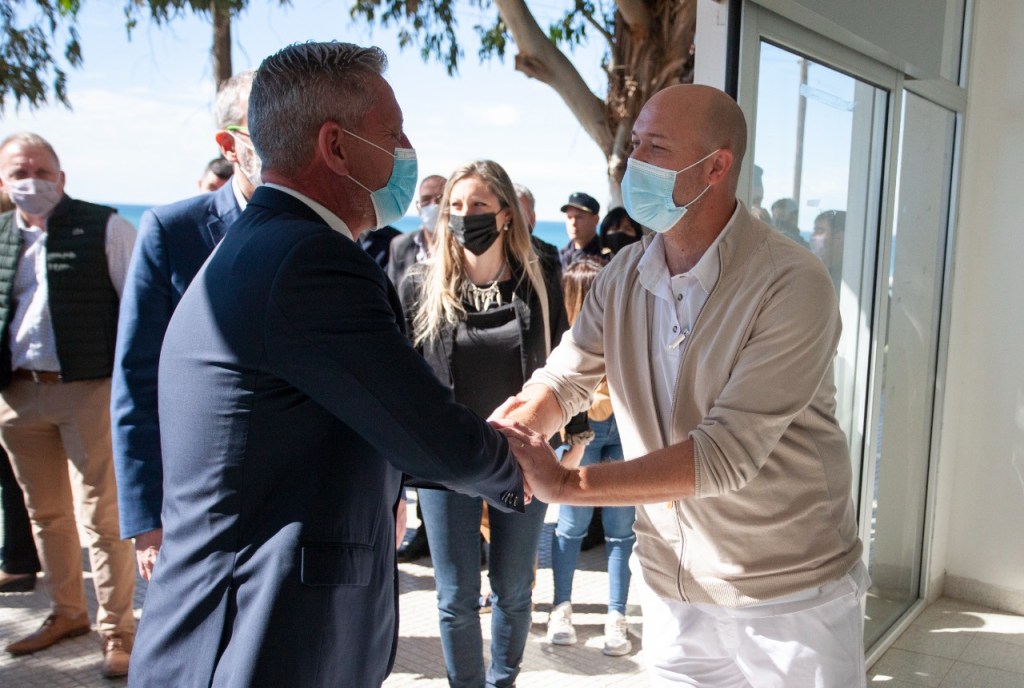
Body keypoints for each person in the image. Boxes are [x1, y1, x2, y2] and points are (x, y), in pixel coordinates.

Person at [128, 42, 527, 688]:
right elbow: (421, 428)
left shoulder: (262, 242)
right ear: (336, 146)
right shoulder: (311, 260)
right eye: (393, 133)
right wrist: (521, 466)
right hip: (256, 642)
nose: (408, 149)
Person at [492, 84, 868, 687]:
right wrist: (513, 432)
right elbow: (565, 378)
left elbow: (725, 456)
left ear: (716, 167)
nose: (634, 163)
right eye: (635, 145)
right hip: (673, 586)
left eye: (656, 148)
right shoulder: (622, 274)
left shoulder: (792, 283)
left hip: (790, 595)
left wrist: (563, 484)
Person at [399, 159, 567, 688]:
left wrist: (576, 437)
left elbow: (565, 359)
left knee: (514, 590)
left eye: (477, 205)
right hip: (446, 461)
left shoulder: (539, 275)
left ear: (505, 214)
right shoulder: (420, 283)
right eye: (454, 205)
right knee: (455, 596)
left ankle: (503, 682)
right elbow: (403, 377)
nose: (463, 215)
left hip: (520, 457)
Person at [111, 71, 259, 583]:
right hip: (196, 506)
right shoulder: (172, 231)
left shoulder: (331, 232)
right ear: (229, 145)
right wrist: (146, 518)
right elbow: (137, 380)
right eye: (266, 125)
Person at [0, 132, 137, 678]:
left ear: (62, 177)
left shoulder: (106, 227)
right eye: (19, 172)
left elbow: (139, 309)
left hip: (89, 389)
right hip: (18, 394)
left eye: (42, 171)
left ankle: (118, 631)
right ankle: (67, 613)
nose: (31, 181)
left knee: (102, 516)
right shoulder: (2, 236)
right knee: (45, 514)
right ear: (3, 182)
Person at [545, 257, 635, 657]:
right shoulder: (567, 339)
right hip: (585, 432)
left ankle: (616, 614)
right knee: (573, 525)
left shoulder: (621, 328)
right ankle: (562, 607)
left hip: (620, 429)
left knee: (620, 528)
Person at [387, 173, 446, 287]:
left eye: (440, 199)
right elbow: (393, 291)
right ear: (418, 207)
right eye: (426, 200)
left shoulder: (463, 246)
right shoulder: (400, 245)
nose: (434, 205)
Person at [515, 182, 560, 273]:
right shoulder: (490, 253)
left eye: (521, 214)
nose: (514, 220)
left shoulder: (548, 254)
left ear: (532, 219)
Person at [559, 191, 603, 270]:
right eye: (569, 217)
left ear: (596, 219)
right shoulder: (560, 256)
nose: (573, 223)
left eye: (579, 217)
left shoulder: (607, 256)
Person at [811, 209, 846, 290]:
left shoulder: (845, 278)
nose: (813, 235)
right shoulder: (815, 269)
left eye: (819, 231)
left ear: (839, 237)